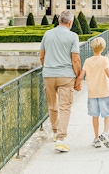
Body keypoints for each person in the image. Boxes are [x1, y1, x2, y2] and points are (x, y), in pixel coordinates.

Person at [39, 10, 81, 152]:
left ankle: (55, 132)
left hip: (49, 74)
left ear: (58, 20)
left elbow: (42, 57)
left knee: (52, 106)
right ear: (70, 22)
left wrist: (48, 68)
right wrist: (78, 78)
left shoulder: (47, 34)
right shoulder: (73, 36)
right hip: (65, 76)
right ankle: (61, 139)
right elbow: (75, 60)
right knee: (65, 108)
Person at [77, 37, 109, 149]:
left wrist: (76, 84)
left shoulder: (87, 61)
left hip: (92, 93)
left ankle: (96, 139)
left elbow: (81, 76)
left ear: (92, 47)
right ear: (103, 48)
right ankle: (105, 133)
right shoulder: (104, 60)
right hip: (104, 92)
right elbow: (108, 74)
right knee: (107, 114)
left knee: (95, 116)